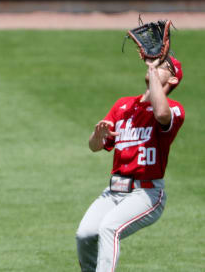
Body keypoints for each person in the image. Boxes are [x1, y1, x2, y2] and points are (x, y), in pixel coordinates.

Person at [75, 56, 185, 271]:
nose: (153, 67)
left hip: (147, 194)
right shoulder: (123, 105)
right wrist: (97, 135)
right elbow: (95, 146)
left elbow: (161, 113)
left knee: (109, 228)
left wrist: (153, 73)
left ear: (172, 80)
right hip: (114, 191)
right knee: (85, 235)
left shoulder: (174, 109)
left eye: (162, 66)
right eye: (154, 64)